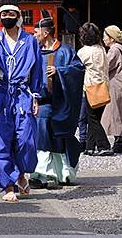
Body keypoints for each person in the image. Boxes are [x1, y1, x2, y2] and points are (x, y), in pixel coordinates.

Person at [0, 0, 42, 202]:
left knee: (26, 139)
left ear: (18, 16)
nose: (7, 16)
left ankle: (21, 173)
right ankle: (8, 186)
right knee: (1, 140)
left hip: (23, 94)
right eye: (3, 13)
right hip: (1, 94)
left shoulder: (30, 41)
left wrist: (35, 96)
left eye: (11, 13)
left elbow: (37, 72)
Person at [30, 10, 84, 188]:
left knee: (61, 135)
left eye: (36, 33)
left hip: (62, 103)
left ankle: (63, 174)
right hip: (42, 103)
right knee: (42, 134)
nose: (34, 35)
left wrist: (60, 71)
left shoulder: (66, 51)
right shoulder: (35, 52)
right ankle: (41, 174)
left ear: (46, 33)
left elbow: (78, 71)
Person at [77, 23, 113, 156]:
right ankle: (90, 146)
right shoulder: (102, 49)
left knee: (92, 118)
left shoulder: (84, 51)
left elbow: (77, 67)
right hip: (104, 86)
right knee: (95, 117)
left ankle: (104, 145)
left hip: (91, 87)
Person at [101, 25, 122, 154]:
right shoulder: (121, 48)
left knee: (115, 114)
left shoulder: (114, 50)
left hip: (115, 85)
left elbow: (106, 66)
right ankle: (119, 141)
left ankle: (118, 142)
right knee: (120, 114)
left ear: (112, 38)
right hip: (120, 84)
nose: (104, 39)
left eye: (105, 36)